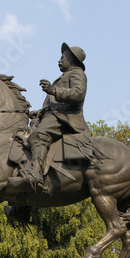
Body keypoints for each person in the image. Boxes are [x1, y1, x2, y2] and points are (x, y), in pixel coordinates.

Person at [10, 42, 91, 191]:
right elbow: (52, 104)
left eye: (62, 58)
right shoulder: (64, 76)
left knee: (38, 137)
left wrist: (54, 91)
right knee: (23, 140)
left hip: (63, 117)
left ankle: (35, 174)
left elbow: (78, 94)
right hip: (51, 116)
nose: (59, 61)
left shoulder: (77, 73)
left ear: (72, 60)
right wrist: (39, 113)